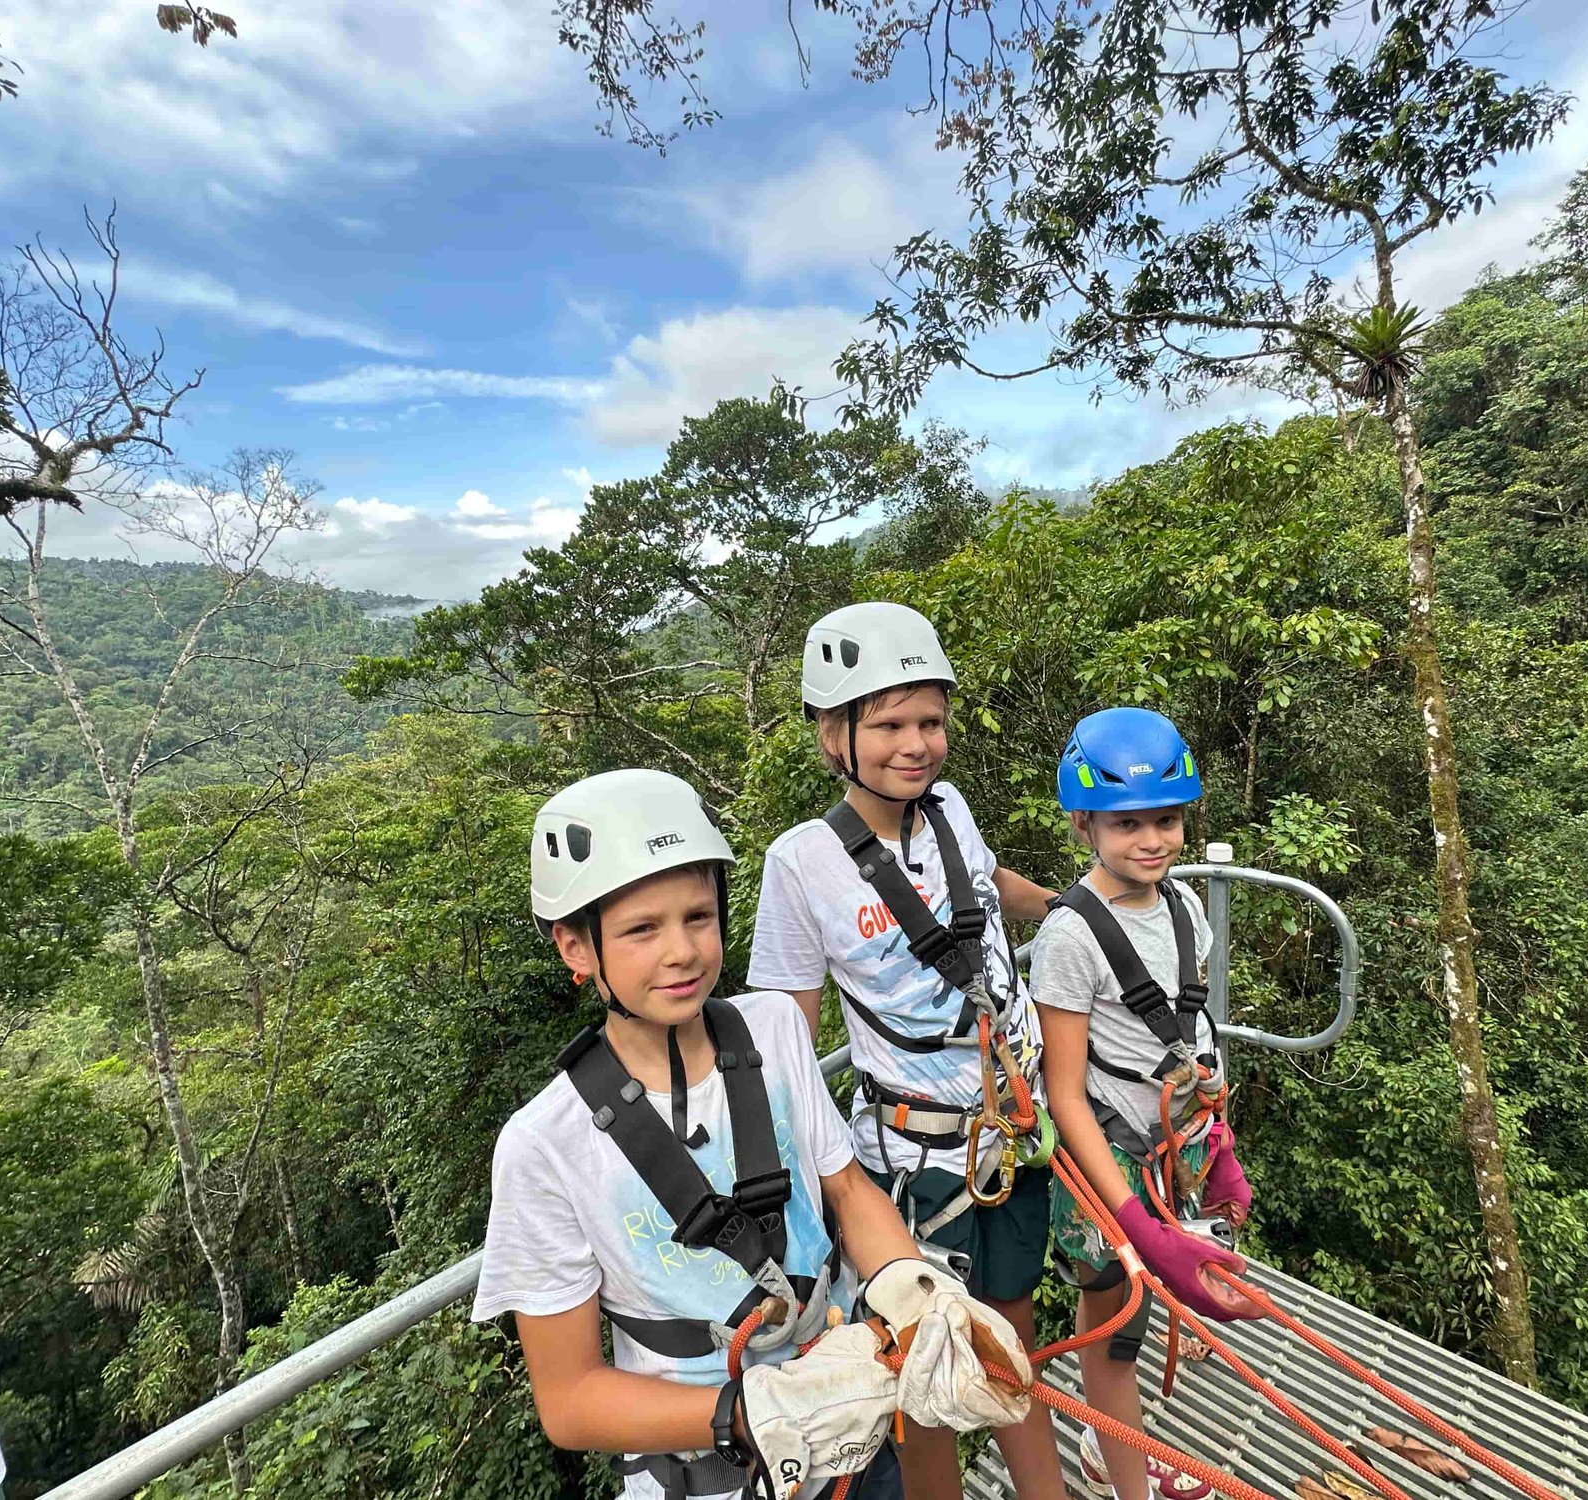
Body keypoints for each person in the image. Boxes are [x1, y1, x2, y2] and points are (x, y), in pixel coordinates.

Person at [473, 768, 1032, 1500]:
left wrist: (913, 1289)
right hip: (711, 1477)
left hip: (855, 1441)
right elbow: (571, 1399)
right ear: (577, 948)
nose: (681, 952)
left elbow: (847, 1186)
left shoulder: (771, 1030)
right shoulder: (546, 1145)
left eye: (698, 917)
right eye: (642, 929)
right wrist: (748, 1410)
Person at [748, 602, 1068, 1500]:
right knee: (924, 1374)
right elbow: (784, 1029)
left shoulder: (949, 810)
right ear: (832, 734)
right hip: (913, 1164)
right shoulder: (802, 862)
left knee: (1009, 1336)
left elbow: (986, 885)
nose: (916, 744)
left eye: (930, 721)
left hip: (1009, 1133)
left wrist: (1070, 906)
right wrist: (797, 1176)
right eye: (888, 724)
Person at [1029, 709, 1262, 1500]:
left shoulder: (1180, 907)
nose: (1152, 840)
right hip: (1113, 1158)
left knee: (1138, 1313)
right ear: (1084, 824)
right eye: (1128, 823)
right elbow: (1063, 1091)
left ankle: (1103, 1444)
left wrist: (1218, 1139)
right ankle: (1125, 1477)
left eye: (1166, 819)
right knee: (1116, 1316)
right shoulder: (1070, 936)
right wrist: (1129, 1218)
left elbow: (1193, 1028)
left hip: (1175, 1142)